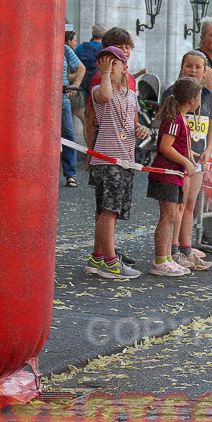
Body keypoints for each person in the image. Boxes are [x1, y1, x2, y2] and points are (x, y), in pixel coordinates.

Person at [85, 46, 148, 279]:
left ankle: (97, 257)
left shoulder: (131, 94)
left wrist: (140, 128)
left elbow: (132, 122)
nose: (108, 68)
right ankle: (110, 262)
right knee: (108, 210)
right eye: (103, 64)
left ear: (124, 67)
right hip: (106, 159)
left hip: (125, 160)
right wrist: (103, 74)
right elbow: (106, 96)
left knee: (112, 210)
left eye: (113, 64)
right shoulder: (99, 89)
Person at [161, 51, 212, 272]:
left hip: (198, 157)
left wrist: (209, 149)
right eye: (188, 66)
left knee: (191, 206)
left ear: (205, 71)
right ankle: (173, 249)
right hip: (178, 160)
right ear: (182, 67)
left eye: (198, 67)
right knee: (178, 205)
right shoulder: (172, 93)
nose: (193, 70)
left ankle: (186, 248)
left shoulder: (208, 96)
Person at [147, 78, 203, 276]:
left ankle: (168, 257)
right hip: (167, 174)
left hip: (176, 175)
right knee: (167, 217)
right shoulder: (175, 119)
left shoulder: (180, 118)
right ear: (191, 100)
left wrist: (188, 157)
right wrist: (185, 161)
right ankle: (160, 259)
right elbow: (164, 146)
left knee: (171, 217)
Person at [61, 29, 84, 188]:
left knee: (68, 134)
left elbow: (81, 68)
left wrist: (74, 85)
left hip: (62, 98)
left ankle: (71, 174)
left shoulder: (65, 49)